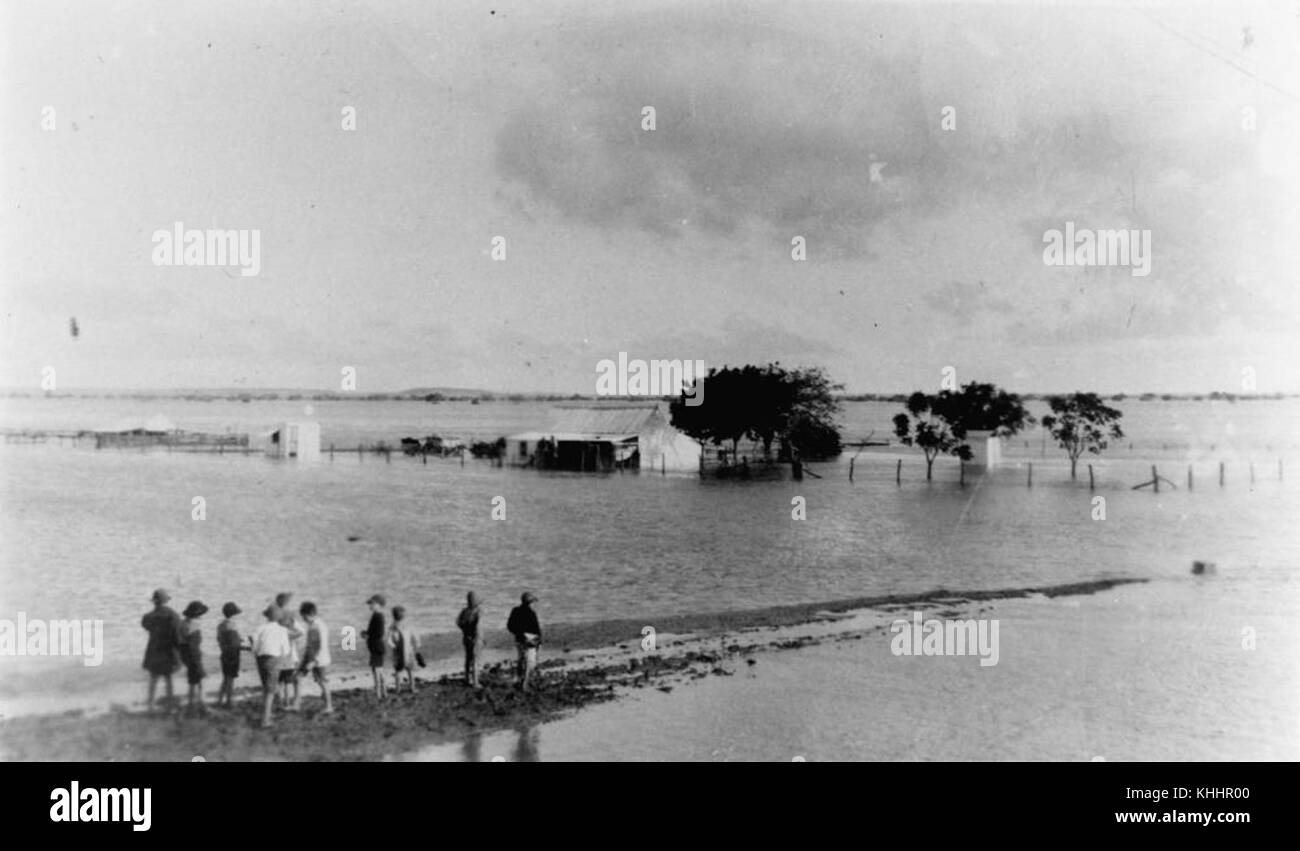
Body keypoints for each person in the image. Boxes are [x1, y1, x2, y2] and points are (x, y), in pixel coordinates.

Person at [141, 588, 183, 713]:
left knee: (153, 679)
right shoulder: (172, 615)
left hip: (154, 651)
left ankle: (150, 705)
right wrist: (180, 650)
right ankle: (169, 707)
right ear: (165, 601)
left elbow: (146, 626)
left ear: (154, 601)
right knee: (168, 679)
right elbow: (177, 635)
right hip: (168, 651)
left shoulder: (149, 616)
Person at [251, 604, 292, 728]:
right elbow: (286, 650)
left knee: (266, 688)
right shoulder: (282, 630)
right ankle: (265, 720)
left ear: (267, 617)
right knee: (271, 691)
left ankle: (267, 714)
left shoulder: (260, 628)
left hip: (260, 659)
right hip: (273, 659)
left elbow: (255, 647)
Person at [296, 601, 334, 715]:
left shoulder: (317, 626)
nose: (303, 619)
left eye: (303, 617)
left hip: (318, 660)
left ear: (309, 614)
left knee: (322, 681)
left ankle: (329, 706)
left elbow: (320, 646)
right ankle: (296, 703)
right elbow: (312, 646)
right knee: (299, 676)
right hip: (312, 657)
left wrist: (314, 661)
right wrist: (306, 660)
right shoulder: (316, 624)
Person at [215, 602, 250, 709]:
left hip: (224, 653)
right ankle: (229, 702)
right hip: (232, 655)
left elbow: (221, 640)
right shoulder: (232, 626)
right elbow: (234, 644)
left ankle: (220, 700)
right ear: (234, 614)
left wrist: (237, 640)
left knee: (225, 678)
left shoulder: (220, 625)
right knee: (230, 679)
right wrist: (247, 648)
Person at [274, 592, 305, 711]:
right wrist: (292, 630)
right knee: (289, 681)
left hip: (281, 657)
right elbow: (301, 632)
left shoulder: (277, 618)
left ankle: (283, 702)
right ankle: (290, 701)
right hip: (290, 656)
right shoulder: (288, 620)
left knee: (281, 682)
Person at [178, 601, 210, 715]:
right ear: (197, 615)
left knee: (192, 680)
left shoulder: (182, 623)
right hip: (193, 656)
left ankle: (191, 705)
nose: (201, 616)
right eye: (200, 614)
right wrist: (198, 660)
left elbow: (181, 642)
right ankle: (203, 706)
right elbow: (193, 646)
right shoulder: (194, 626)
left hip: (184, 655)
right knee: (202, 680)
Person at [506, 592, 542, 691]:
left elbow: (510, 626)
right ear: (530, 603)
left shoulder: (515, 611)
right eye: (533, 602)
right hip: (530, 640)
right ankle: (525, 684)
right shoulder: (531, 613)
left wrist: (519, 633)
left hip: (519, 639)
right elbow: (537, 630)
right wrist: (539, 641)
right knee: (530, 663)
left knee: (521, 660)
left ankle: (520, 680)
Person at [386, 605, 419, 693]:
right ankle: (412, 687)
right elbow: (415, 636)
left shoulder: (392, 627)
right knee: (410, 670)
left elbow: (389, 641)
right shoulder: (408, 625)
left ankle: (398, 688)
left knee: (398, 670)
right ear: (404, 616)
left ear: (394, 616)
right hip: (408, 651)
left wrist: (394, 647)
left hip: (398, 652)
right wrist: (417, 645)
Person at [360, 594, 387, 699]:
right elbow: (375, 631)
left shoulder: (378, 616)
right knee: (378, 669)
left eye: (372, 604)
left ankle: (378, 693)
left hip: (376, 646)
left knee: (376, 670)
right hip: (377, 646)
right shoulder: (377, 615)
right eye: (370, 604)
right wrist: (367, 633)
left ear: (379, 605)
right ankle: (383, 691)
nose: (370, 606)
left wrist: (368, 636)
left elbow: (379, 633)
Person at [456, 591, 483, 688]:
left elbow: (458, 622)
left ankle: (467, 678)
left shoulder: (464, 611)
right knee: (476, 660)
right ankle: (475, 682)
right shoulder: (478, 612)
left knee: (468, 659)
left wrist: (464, 630)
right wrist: (479, 638)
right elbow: (478, 626)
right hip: (475, 638)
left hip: (466, 637)